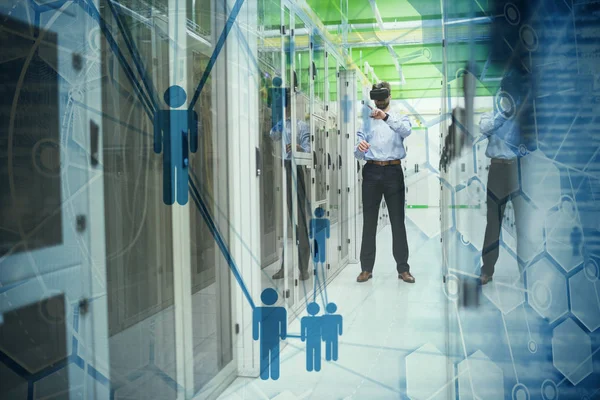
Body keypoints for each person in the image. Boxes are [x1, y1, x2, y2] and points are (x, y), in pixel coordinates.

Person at [354, 81, 414, 283]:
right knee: (369, 222)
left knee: (398, 221)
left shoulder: (399, 114)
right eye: (376, 98)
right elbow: (357, 153)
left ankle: (403, 269)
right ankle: (366, 269)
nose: (379, 102)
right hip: (371, 171)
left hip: (393, 172)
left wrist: (386, 117)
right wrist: (359, 149)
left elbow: (406, 131)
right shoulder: (366, 120)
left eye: (382, 97)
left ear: (389, 95)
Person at [479, 69, 531, 285]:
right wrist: (505, 113)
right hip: (498, 171)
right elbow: (484, 128)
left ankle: (527, 272)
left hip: (520, 170)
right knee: (493, 223)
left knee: (524, 224)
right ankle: (487, 270)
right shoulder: (491, 115)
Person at [269, 88, 311, 281]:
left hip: (297, 168)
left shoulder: (302, 125)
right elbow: (273, 136)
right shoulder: (279, 125)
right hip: (284, 167)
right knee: (285, 221)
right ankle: (285, 266)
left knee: (299, 220)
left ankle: (303, 268)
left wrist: (297, 147)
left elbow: (309, 151)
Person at [252, 288, 287, 380]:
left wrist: (255, 336)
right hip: (275, 339)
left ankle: (264, 374)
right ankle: (275, 375)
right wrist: (283, 335)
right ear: (275, 299)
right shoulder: (281, 310)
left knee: (264, 356)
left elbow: (255, 325)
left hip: (264, 339)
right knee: (275, 357)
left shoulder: (257, 311)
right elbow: (283, 325)